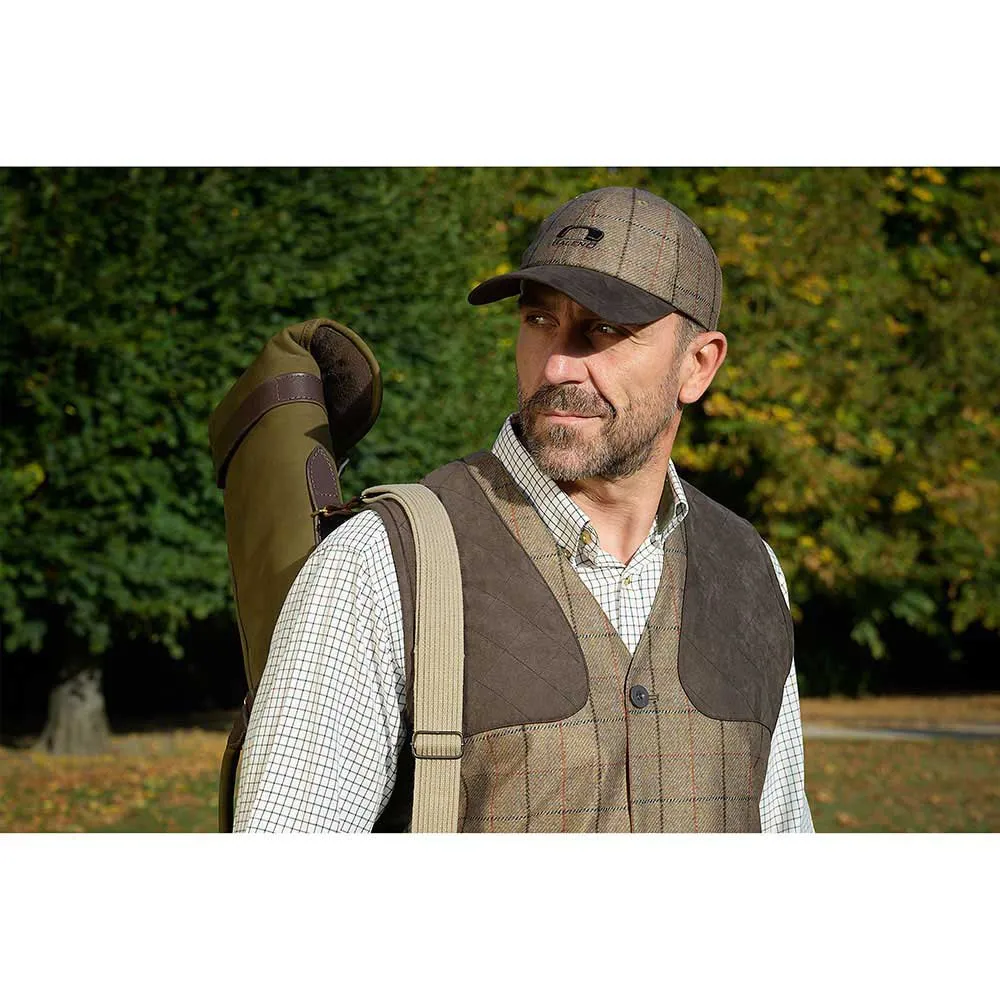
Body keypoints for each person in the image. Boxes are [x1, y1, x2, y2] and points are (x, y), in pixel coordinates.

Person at [234, 186, 814, 833]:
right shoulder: (380, 565)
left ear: (698, 366)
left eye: (605, 329)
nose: (558, 364)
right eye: (539, 320)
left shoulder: (751, 572)